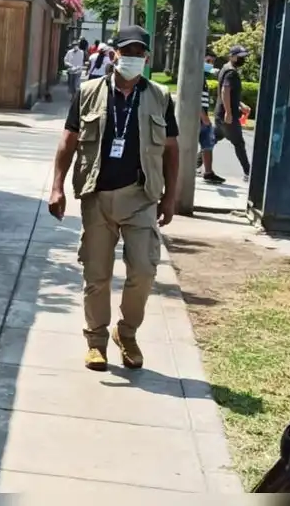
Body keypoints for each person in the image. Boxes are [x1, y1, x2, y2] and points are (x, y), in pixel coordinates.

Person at [48, 25, 180, 372]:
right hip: (98, 197)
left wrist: (170, 198)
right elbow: (68, 141)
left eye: (139, 52)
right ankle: (96, 341)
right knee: (97, 274)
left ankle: (127, 333)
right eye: (127, 51)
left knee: (144, 270)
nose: (132, 58)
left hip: (141, 196)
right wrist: (57, 186)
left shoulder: (160, 97)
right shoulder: (89, 92)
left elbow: (171, 150)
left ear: (146, 57)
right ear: (114, 54)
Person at [215, 45, 252, 182]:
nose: (243, 59)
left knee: (213, 139)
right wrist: (229, 113)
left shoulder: (225, 68)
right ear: (232, 56)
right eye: (240, 57)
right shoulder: (231, 73)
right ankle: (248, 172)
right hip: (227, 116)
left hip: (221, 113)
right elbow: (225, 91)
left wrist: (240, 105)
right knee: (239, 143)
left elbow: (230, 93)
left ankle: (197, 164)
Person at [198, 52, 226, 184]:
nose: (210, 64)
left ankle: (208, 172)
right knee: (203, 144)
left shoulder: (202, 77)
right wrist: (204, 117)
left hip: (202, 117)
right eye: (208, 61)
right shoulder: (197, 76)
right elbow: (194, 98)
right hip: (198, 118)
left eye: (212, 62)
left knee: (208, 144)